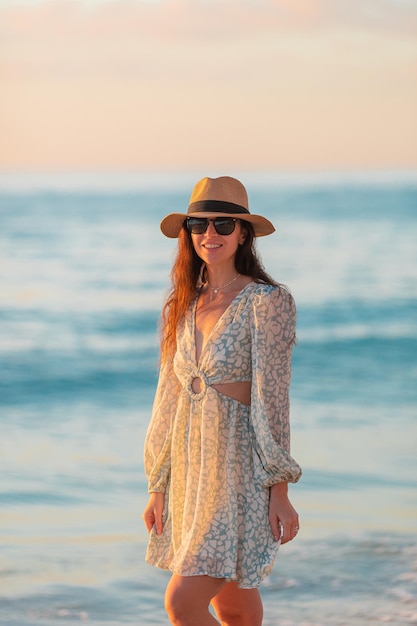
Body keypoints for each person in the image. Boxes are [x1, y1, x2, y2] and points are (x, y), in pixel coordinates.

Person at [142, 176, 302, 626]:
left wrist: (280, 488)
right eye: (198, 224)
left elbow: (273, 399)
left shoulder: (266, 303)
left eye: (224, 224)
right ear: (188, 232)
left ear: (244, 233)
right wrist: (158, 485)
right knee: (233, 606)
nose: (209, 234)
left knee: (182, 603)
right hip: (193, 475)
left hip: (239, 475)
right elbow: (167, 400)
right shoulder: (182, 304)